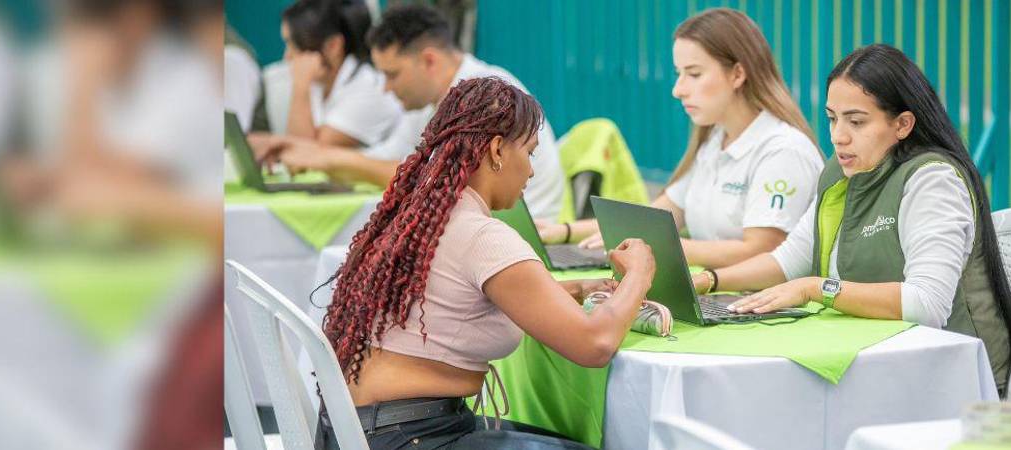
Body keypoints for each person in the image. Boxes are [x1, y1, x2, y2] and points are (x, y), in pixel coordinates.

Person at [315, 77, 655, 449]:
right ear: (496, 150)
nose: (531, 171)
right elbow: (595, 344)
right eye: (529, 153)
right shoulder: (482, 236)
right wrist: (640, 273)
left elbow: (458, 295)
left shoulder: (418, 217)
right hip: (411, 437)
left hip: (356, 432)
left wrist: (574, 288)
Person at [698, 44, 1011, 392]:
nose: (838, 136)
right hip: (880, 364)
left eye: (856, 121)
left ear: (903, 124)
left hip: (953, 382)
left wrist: (816, 288)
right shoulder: (842, 172)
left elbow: (927, 304)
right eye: (832, 118)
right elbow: (788, 261)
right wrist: (708, 281)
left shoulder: (933, 180)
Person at [538, 8, 824, 268]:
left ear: (738, 74)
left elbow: (763, 251)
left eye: (694, 74)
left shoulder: (784, 151)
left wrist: (659, 247)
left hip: (760, 301)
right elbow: (653, 220)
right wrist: (562, 231)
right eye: (679, 74)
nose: (678, 90)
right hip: (719, 293)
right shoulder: (715, 140)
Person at [258, 3, 568, 221]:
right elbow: (389, 157)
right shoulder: (430, 101)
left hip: (525, 234)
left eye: (392, 75)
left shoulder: (483, 94)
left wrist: (327, 158)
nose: (385, 88)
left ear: (429, 61)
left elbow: (427, 178)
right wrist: (307, 151)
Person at [279, 0, 402, 148]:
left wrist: (300, 85)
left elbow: (303, 154)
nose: (287, 57)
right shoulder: (320, 82)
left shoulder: (371, 88)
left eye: (293, 45)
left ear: (333, 46)